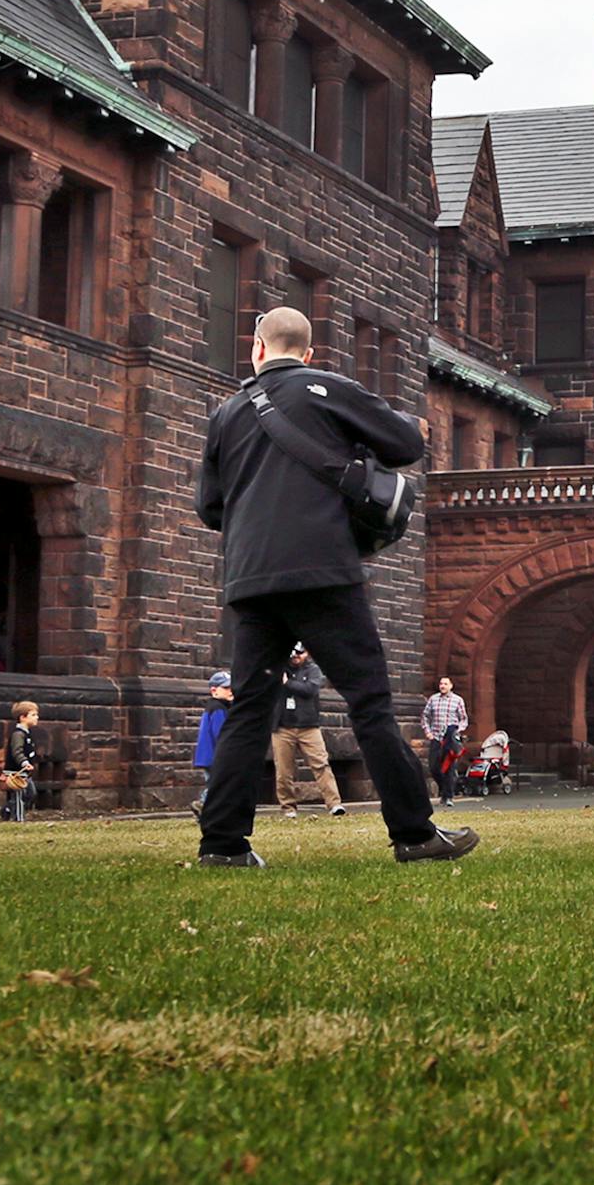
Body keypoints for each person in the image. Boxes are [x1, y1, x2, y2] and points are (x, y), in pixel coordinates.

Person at [193, 306, 475, 867]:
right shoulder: (328, 388)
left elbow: (210, 506)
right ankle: (415, 834)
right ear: (309, 352)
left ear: (256, 349)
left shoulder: (227, 413)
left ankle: (223, 845)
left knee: (249, 710)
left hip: (251, 580)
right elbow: (404, 444)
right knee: (369, 703)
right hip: (323, 571)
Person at [273, 643, 345, 818]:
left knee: (321, 764)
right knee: (283, 770)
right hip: (282, 727)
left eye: (301, 652)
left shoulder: (313, 670)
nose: (297, 656)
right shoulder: (279, 667)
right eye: (294, 652)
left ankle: (334, 804)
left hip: (309, 726)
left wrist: (287, 683)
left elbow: (310, 690)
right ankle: (288, 807)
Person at [189, 669, 233, 821]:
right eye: (226, 688)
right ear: (214, 690)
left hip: (209, 756)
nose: (230, 691)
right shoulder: (218, 708)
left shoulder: (216, 706)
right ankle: (202, 804)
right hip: (215, 756)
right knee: (217, 785)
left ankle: (206, 813)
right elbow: (221, 733)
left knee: (216, 784)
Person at [422, 676, 469, 807]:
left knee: (449, 767)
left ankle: (448, 796)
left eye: (445, 684)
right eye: (441, 683)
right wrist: (428, 732)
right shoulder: (433, 699)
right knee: (434, 767)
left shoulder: (457, 700)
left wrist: (457, 731)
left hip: (450, 738)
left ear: (451, 686)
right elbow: (425, 716)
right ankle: (444, 789)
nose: (442, 686)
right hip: (436, 737)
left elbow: (463, 719)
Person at [1, 701, 40, 822]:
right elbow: (17, 751)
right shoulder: (18, 734)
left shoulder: (27, 734)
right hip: (16, 771)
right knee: (19, 795)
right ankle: (18, 818)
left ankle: (7, 809)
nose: (37, 717)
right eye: (33, 715)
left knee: (30, 793)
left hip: (25, 772)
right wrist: (24, 762)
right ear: (22, 717)